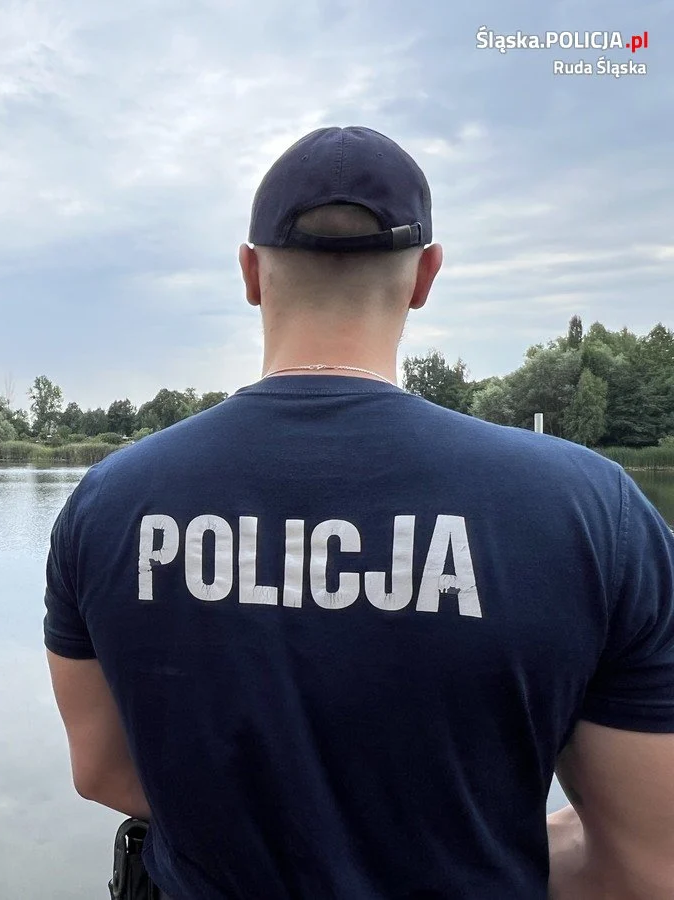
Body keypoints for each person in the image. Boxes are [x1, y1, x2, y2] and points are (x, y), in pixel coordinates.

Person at [42, 126, 674, 899]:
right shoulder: (593, 510)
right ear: (426, 275)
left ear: (249, 272)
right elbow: (644, 867)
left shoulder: (108, 502)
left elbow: (103, 770)